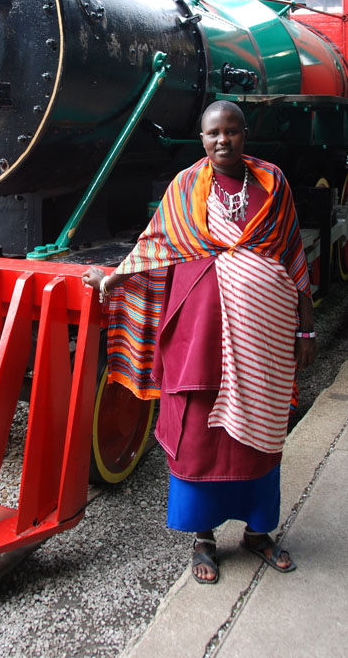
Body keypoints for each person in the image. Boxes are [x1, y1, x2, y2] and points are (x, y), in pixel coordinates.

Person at [82, 100, 316, 584]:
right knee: (196, 430)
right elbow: (154, 244)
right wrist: (109, 278)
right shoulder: (185, 187)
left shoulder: (274, 185)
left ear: (245, 135)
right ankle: (203, 538)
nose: (222, 141)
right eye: (213, 134)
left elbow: (295, 258)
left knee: (261, 432)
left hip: (263, 340)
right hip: (196, 334)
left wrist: (306, 329)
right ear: (202, 139)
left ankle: (257, 532)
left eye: (231, 132)